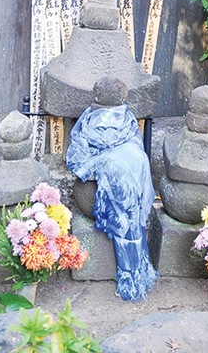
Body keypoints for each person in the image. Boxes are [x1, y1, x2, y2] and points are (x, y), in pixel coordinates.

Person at [65, 76, 157, 301]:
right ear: (122, 98)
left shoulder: (87, 123)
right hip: (123, 201)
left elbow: (76, 160)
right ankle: (135, 271)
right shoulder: (128, 121)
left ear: (96, 97)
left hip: (94, 200)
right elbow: (139, 156)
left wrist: (103, 162)